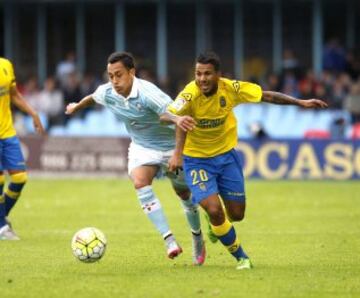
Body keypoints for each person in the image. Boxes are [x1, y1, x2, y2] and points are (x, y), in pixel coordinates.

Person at [161, 51, 328, 270]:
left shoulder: (231, 89)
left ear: (218, 75)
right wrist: (177, 123)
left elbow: (266, 96)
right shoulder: (190, 94)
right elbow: (165, 115)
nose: (202, 79)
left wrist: (300, 102)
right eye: (198, 74)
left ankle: (216, 225)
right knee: (214, 210)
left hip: (226, 157)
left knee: (236, 215)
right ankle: (242, 257)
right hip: (197, 160)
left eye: (207, 74)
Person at [65, 52, 206, 265]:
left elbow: (170, 115)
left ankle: (197, 237)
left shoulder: (149, 94)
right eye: (110, 76)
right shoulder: (108, 92)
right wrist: (76, 106)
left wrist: (177, 136)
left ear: (132, 72)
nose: (114, 81)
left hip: (172, 147)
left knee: (184, 194)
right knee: (140, 182)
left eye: (119, 75)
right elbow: (92, 97)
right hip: (143, 147)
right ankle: (169, 240)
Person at [0, 57, 45, 240]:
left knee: (20, 178)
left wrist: (33, 113)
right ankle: (2, 228)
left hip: (7, 133)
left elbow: (14, 95)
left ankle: (1, 219)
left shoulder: (6, 65)